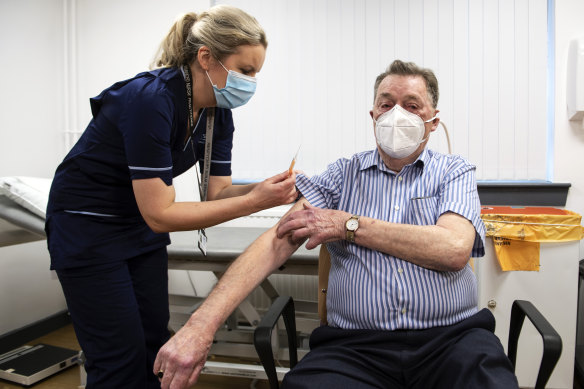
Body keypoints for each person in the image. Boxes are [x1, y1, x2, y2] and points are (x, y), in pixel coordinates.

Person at [153, 59, 519, 389]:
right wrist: (200, 326)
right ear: (373, 115)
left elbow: (453, 249)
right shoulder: (341, 176)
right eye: (387, 104)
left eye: (411, 106)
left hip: (454, 341)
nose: (396, 115)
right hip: (355, 348)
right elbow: (276, 242)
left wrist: (349, 225)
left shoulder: (454, 172)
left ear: (433, 121)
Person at [45, 5, 298, 388]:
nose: (251, 82)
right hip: (88, 228)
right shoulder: (150, 100)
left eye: (256, 73)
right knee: (118, 359)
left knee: (153, 347)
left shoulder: (217, 112)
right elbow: (161, 214)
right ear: (206, 57)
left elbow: (219, 193)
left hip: (137, 227)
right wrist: (255, 202)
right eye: (245, 70)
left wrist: (269, 190)